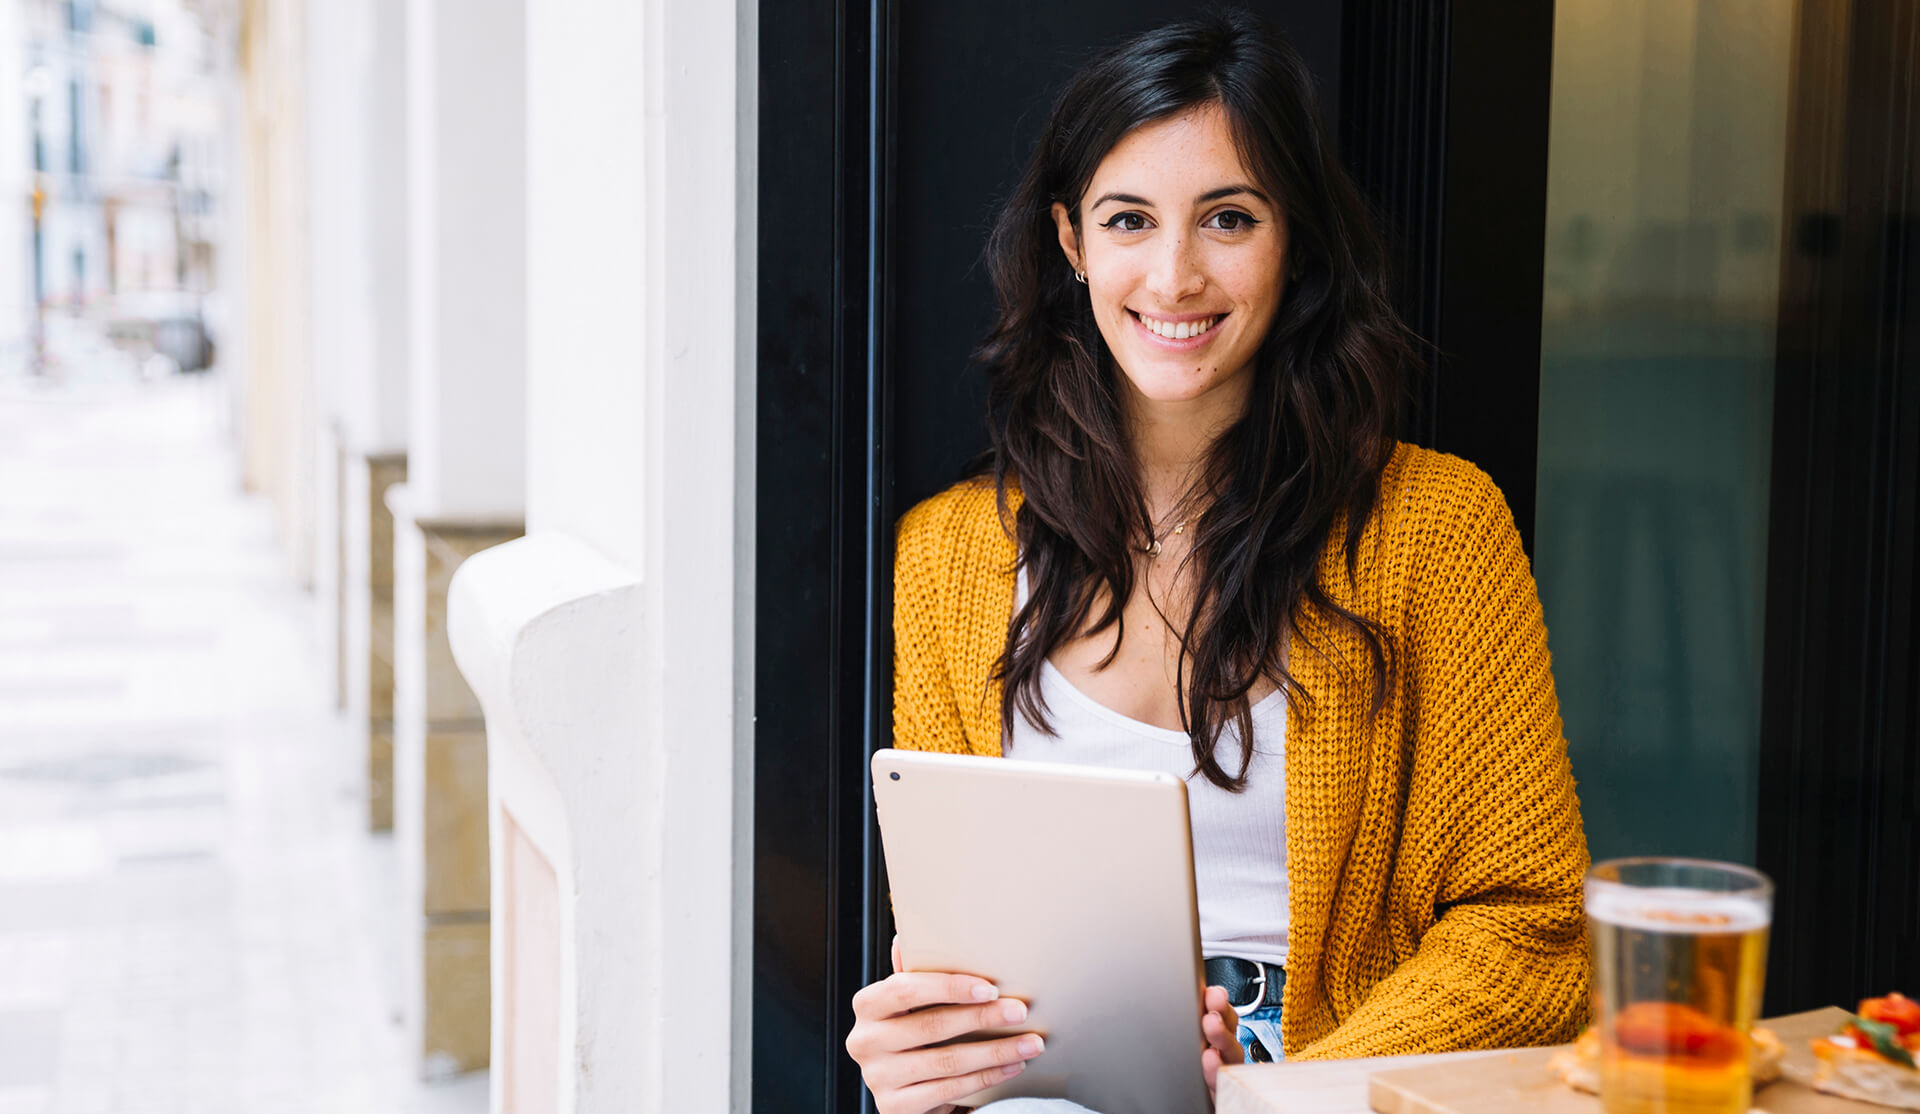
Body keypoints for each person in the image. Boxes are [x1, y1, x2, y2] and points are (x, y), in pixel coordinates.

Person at [845, 12, 1590, 1114]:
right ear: (1071, 243)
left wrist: (1276, 1093)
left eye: (1228, 219)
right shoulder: (945, 556)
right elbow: (961, 966)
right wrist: (918, 1063)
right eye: (1128, 220)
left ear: (1295, 243)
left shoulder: (1435, 529)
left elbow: (1534, 934)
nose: (1175, 274)